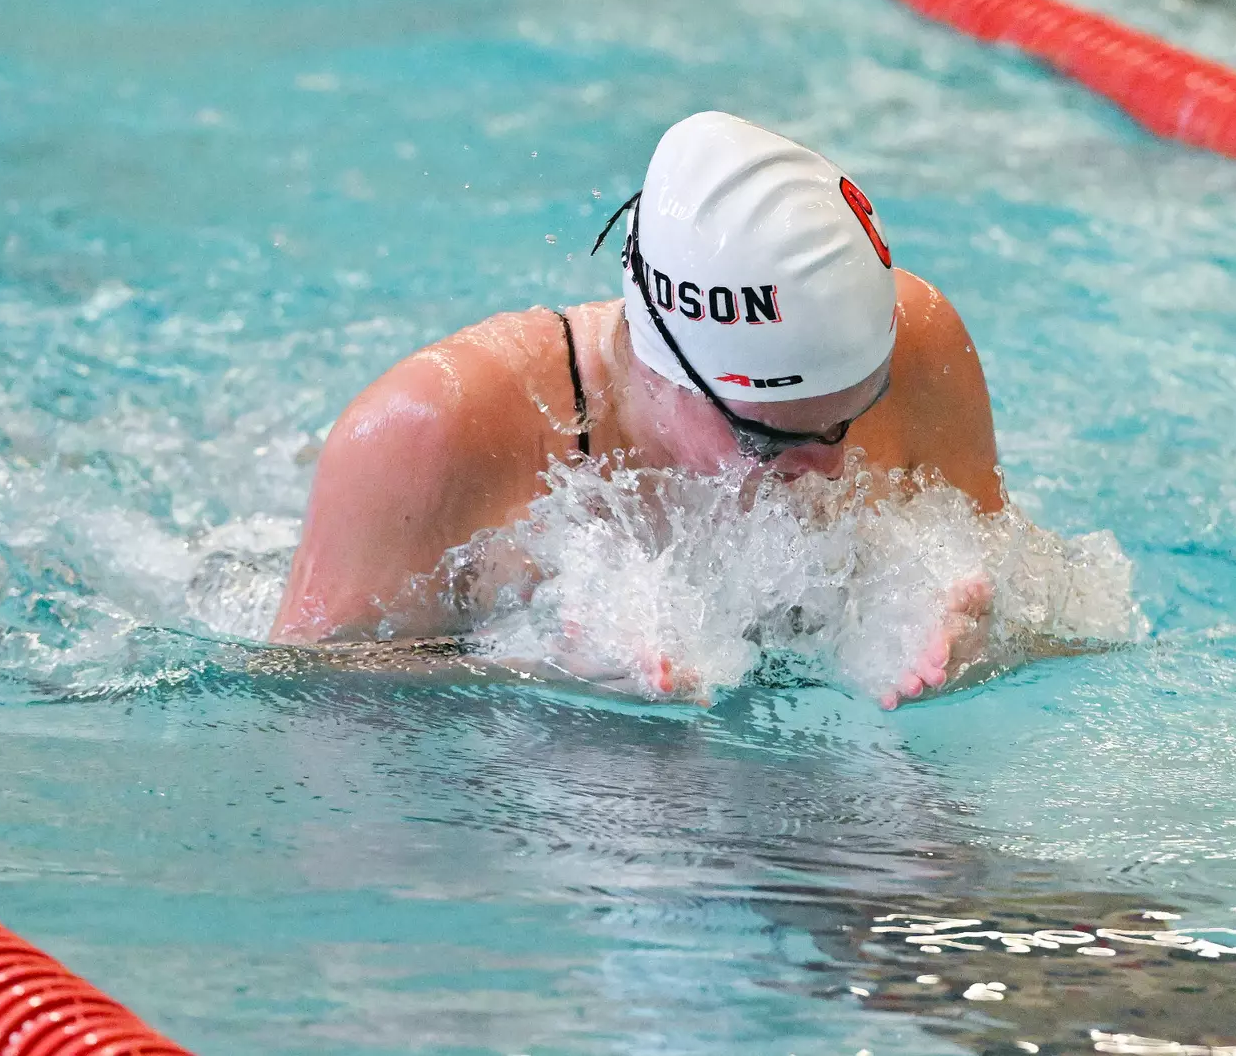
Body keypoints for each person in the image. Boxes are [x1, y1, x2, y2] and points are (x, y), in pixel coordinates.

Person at [270, 111, 1006, 707]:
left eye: (863, 407)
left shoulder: (921, 342)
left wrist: (990, 635)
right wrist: (526, 669)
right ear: (663, 372)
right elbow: (301, 690)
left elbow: (1052, 603)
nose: (835, 465)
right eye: (770, 440)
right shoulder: (428, 433)